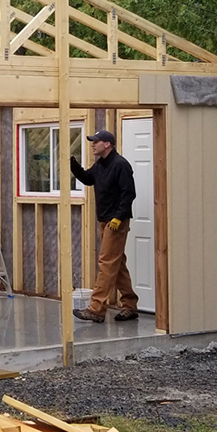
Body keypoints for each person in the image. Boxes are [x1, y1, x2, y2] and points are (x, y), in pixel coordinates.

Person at [69, 129, 138, 322]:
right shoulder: (101, 165)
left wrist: (118, 218)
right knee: (117, 263)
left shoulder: (120, 165)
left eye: (95, 142)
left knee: (106, 262)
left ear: (107, 144)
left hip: (116, 222)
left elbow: (128, 193)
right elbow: (88, 179)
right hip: (104, 220)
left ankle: (96, 309)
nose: (92, 144)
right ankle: (130, 304)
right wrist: (72, 165)